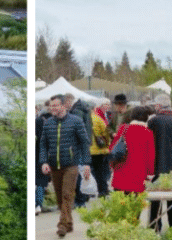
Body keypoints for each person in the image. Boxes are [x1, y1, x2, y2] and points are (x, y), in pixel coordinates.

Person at [40, 94, 91, 238]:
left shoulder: (76, 121)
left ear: (63, 106)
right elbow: (43, 144)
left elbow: (84, 143)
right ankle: (69, 223)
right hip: (54, 165)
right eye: (51, 106)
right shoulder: (48, 123)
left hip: (71, 165)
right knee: (59, 198)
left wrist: (86, 163)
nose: (52, 108)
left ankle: (62, 225)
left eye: (55, 105)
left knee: (67, 194)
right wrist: (43, 161)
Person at [147, 93, 172, 230]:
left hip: (156, 165)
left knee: (155, 199)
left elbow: (148, 144)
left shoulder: (153, 121)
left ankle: (155, 226)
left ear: (158, 106)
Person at [109, 105, 156, 194]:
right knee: (135, 205)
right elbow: (150, 156)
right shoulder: (148, 133)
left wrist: (112, 166)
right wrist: (150, 174)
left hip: (120, 172)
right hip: (138, 175)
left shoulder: (123, 129)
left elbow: (112, 148)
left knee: (120, 205)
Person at [90, 99, 113, 197]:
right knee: (102, 172)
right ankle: (103, 190)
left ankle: (94, 191)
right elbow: (106, 133)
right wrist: (109, 145)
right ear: (94, 108)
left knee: (94, 172)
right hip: (100, 150)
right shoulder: (97, 119)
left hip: (89, 150)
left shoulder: (83, 119)